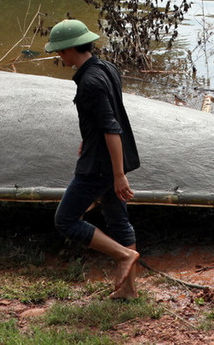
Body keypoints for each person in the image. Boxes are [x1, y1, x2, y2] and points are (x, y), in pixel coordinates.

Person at [44, 19, 141, 299]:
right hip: (106, 158)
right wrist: (88, 137)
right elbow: (104, 117)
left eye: (60, 51)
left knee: (66, 220)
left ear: (71, 49)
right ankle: (129, 291)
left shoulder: (90, 82)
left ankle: (124, 256)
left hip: (100, 165)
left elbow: (111, 126)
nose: (59, 57)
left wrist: (118, 174)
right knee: (118, 220)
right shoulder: (106, 68)